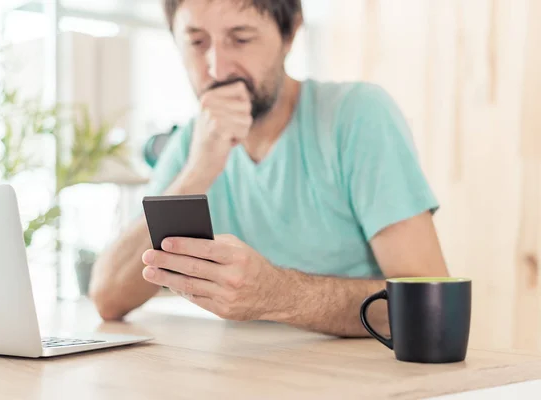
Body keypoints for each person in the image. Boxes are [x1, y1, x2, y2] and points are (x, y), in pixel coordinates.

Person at [89, 0, 449, 336]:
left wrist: (279, 295)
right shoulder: (191, 142)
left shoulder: (357, 115)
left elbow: (431, 306)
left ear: (289, 33)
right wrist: (198, 171)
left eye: (240, 39)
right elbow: (108, 297)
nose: (218, 68)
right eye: (197, 42)